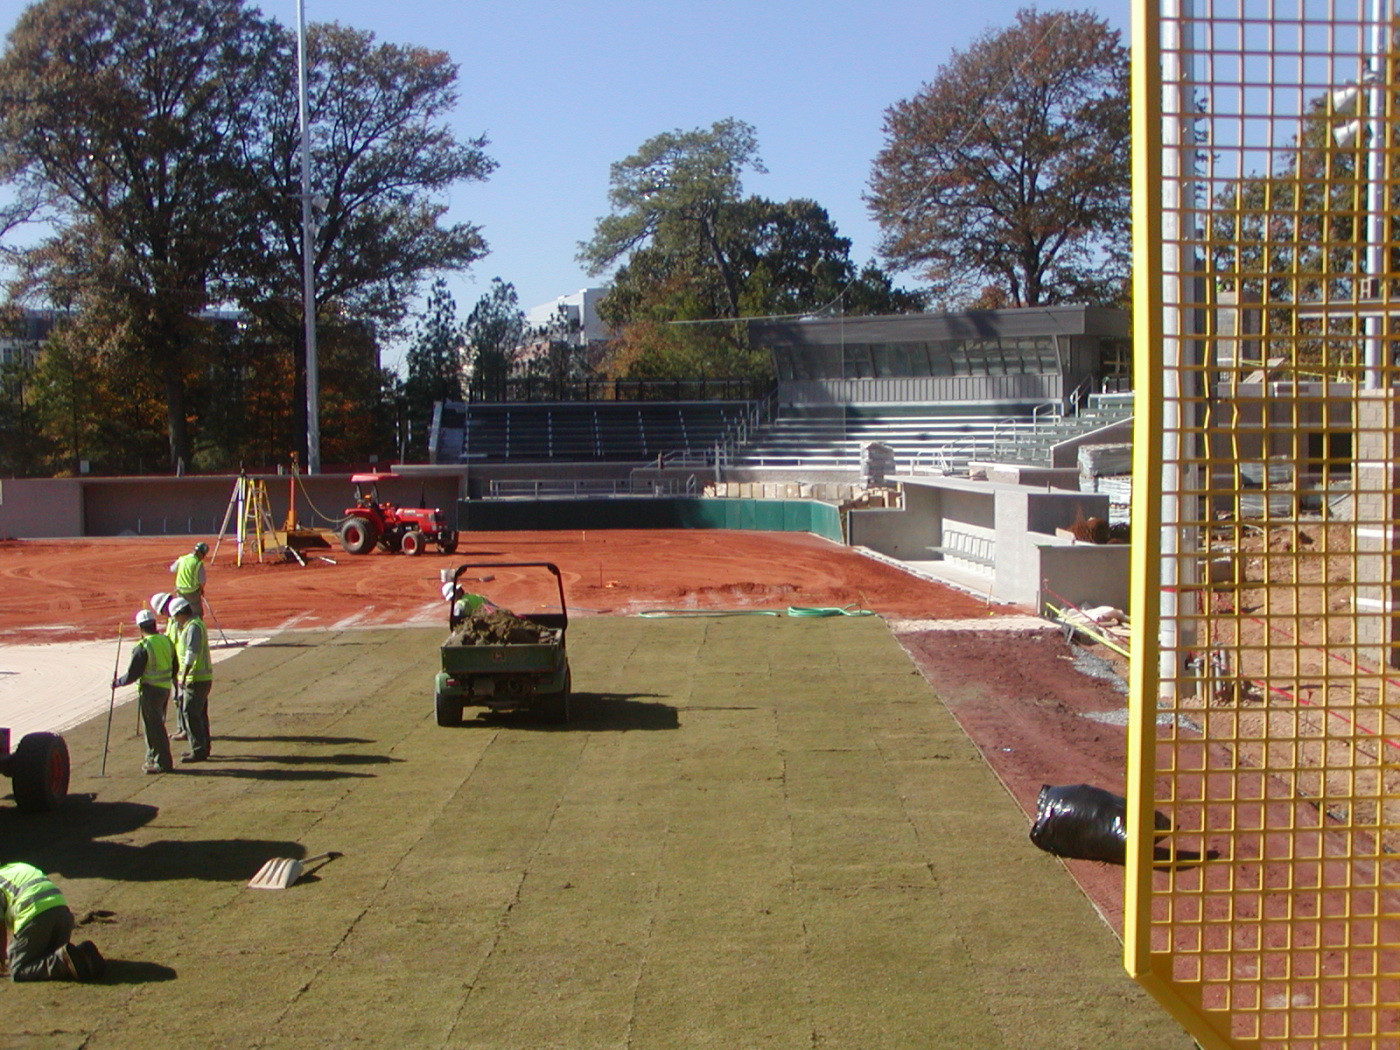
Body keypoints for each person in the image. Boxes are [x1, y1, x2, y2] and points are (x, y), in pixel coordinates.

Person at [0, 862, 104, 981]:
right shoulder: (17, 867)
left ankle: (63, 961)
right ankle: (81, 955)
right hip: (62, 913)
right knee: (44, 956)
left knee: (18, 970)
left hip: (35, 917)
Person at [112, 608, 175, 774]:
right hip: (165, 688)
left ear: (140, 628)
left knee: (154, 728)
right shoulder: (165, 640)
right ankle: (152, 758)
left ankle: (162, 762)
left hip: (150, 690)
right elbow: (175, 665)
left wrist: (117, 683)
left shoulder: (143, 646)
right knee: (156, 725)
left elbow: (133, 674)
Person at [169, 597, 212, 763]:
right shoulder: (193, 625)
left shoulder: (193, 627)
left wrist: (184, 675)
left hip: (196, 678)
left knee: (191, 713)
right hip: (201, 677)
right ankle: (203, 748)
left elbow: (191, 654)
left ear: (181, 613)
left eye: (175, 617)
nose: (175, 621)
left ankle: (199, 750)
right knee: (199, 714)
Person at [149, 592, 188, 741]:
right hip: (174, 665)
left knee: (181, 698)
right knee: (177, 699)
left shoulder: (179, 620)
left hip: (180, 665)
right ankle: (181, 728)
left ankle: (185, 729)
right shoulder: (172, 621)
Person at [168, 541, 208, 618]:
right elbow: (202, 580)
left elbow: (173, 569)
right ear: (199, 553)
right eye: (203, 554)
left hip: (180, 591)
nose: (203, 557)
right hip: (192, 592)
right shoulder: (198, 563)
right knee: (197, 613)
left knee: (181, 612)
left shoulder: (182, 559)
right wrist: (201, 589)